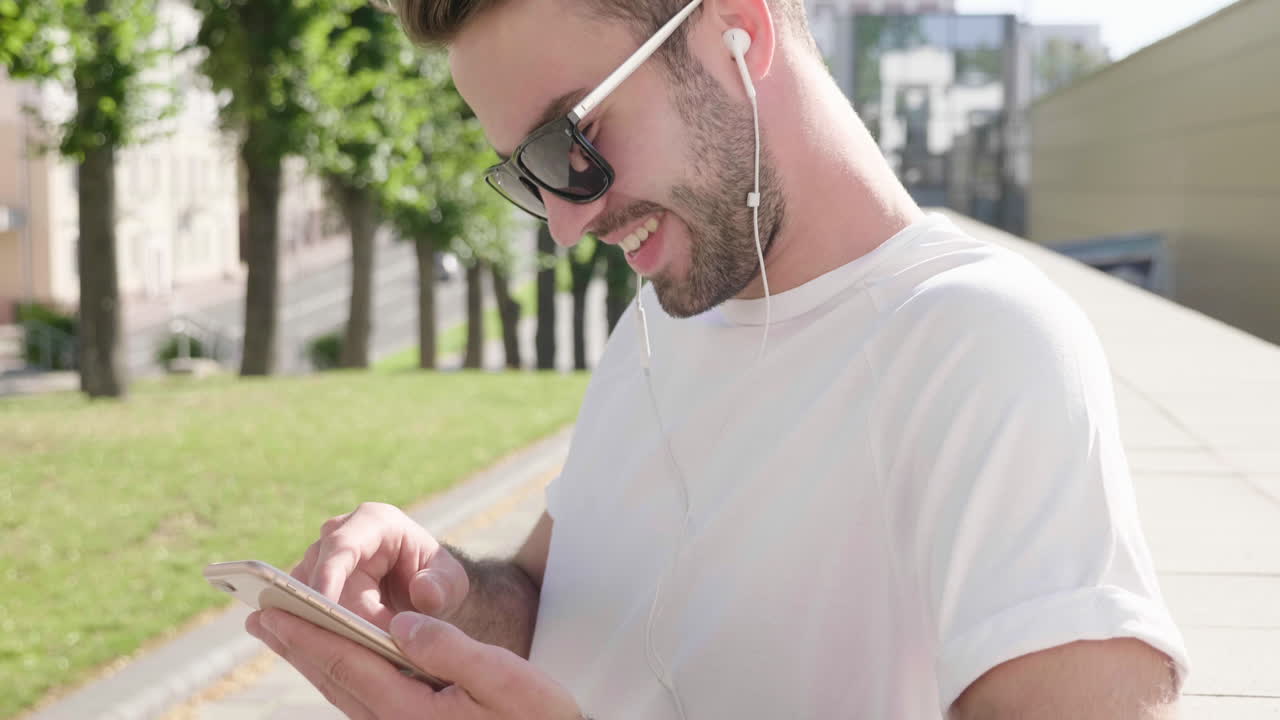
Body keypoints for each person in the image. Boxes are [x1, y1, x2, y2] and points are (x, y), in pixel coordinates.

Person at [245, 0, 1191, 717]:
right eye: (528, 175)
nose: (569, 225)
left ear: (739, 31)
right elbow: (564, 600)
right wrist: (442, 594)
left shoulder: (980, 345)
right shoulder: (659, 323)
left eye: (570, 139)